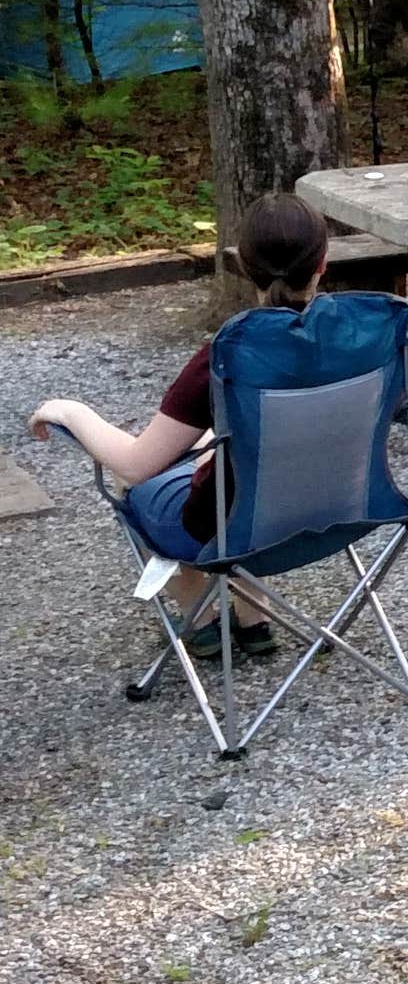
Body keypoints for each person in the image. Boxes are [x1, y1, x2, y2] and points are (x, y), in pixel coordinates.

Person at [26, 194, 335, 658]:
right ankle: (253, 619)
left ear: (242, 266)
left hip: (233, 529)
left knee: (137, 483)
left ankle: (201, 619)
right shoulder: (365, 336)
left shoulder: (226, 357)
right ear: (323, 264)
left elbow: (137, 465)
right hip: (338, 513)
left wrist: (69, 410)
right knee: (235, 450)